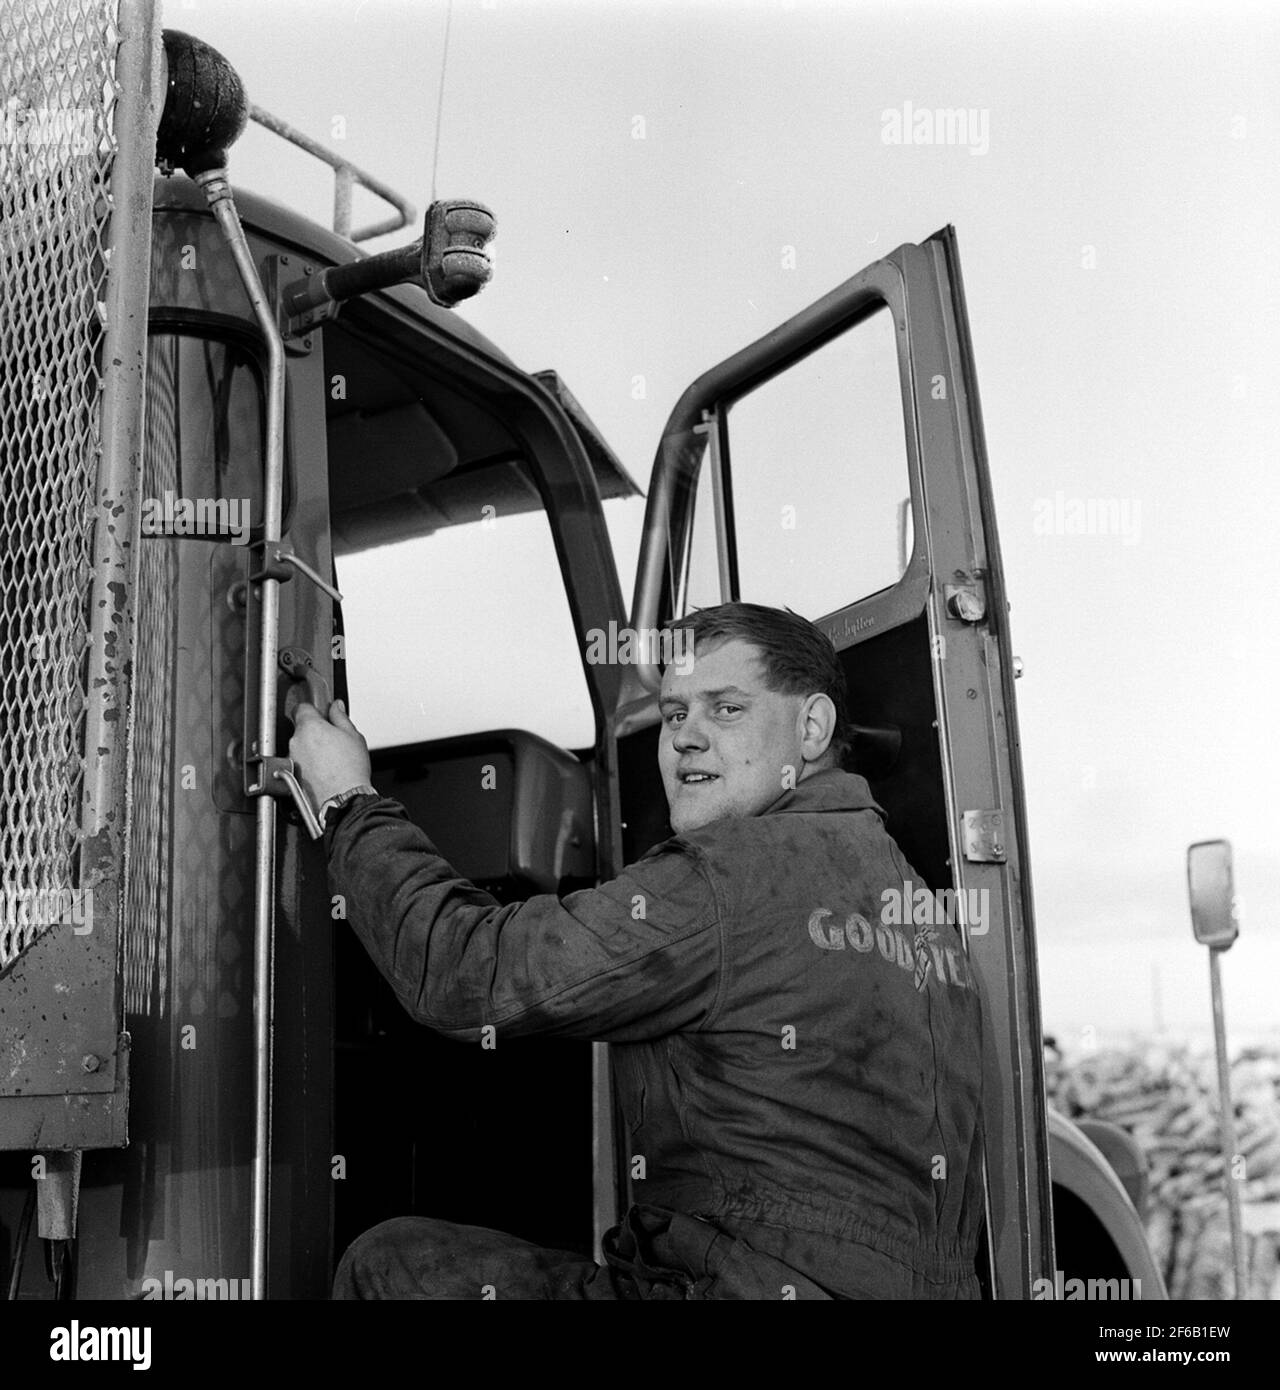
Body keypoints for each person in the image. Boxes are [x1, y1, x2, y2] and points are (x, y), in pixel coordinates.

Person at [289, 601, 985, 1300]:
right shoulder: (922, 911)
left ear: (811, 729)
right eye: (675, 713)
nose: (686, 737)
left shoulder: (729, 872)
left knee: (392, 1263)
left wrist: (347, 800)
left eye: (727, 709)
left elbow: (464, 973)